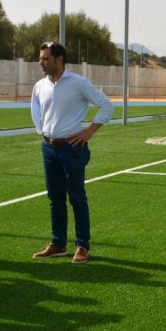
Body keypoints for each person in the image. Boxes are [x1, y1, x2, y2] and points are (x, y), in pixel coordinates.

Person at [30, 41, 113, 263]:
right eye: (40, 58)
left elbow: (107, 105)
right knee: (55, 198)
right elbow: (36, 110)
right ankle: (58, 244)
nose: (41, 62)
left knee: (76, 197)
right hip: (48, 148)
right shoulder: (40, 86)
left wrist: (90, 131)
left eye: (46, 58)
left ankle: (82, 246)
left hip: (72, 148)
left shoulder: (79, 83)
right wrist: (45, 134)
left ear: (59, 59)